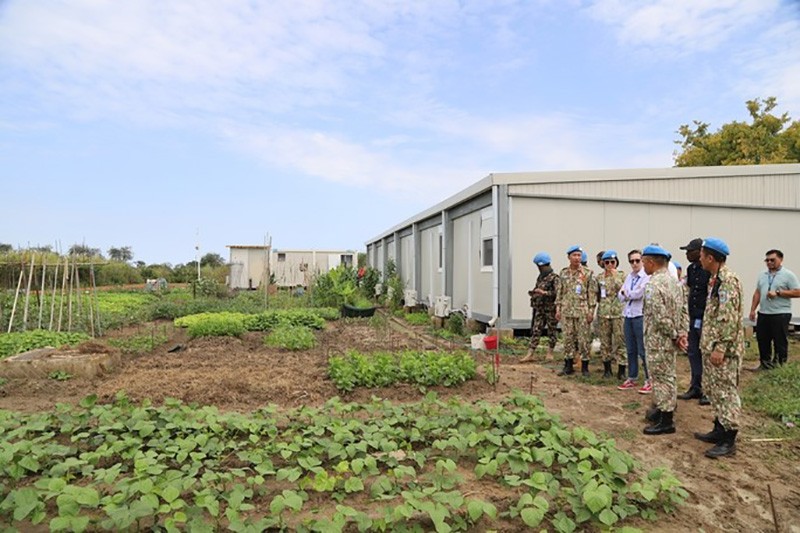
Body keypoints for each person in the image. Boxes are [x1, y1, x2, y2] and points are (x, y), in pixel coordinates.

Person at [694, 238, 745, 458]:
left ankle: (729, 439)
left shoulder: (728, 281)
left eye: (702, 255)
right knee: (714, 389)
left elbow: (728, 317)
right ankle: (719, 428)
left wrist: (721, 347)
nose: (700, 259)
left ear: (711, 258)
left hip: (724, 350)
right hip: (711, 344)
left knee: (726, 392)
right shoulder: (715, 279)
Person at [640, 245, 689, 435]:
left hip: (658, 340)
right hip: (670, 338)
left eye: (644, 262)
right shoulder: (675, 283)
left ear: (651, 262)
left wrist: (676, 335)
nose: (643, 266)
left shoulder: (653, 285)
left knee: (661, 378)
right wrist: (682, 333)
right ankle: (663, 409)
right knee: (668, 375)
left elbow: (660, 318)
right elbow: (684, 311)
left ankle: (666, 420)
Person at [748, 249, 800, 370]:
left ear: (781, 260)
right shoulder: (762, 275)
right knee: (763, 339)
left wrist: (779, 292)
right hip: (764, 313)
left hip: (780, 313)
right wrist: (752, 310)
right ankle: (765, 364)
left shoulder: (788, 275)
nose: (769, 262)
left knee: (780, 340)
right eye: (767, 260)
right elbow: (757, 292)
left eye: (772, 260)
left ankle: (780, 366)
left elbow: (798, 292)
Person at [678, 238, 711, 405]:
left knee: (706, 354)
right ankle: (695, 386)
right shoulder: (691, 269)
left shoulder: (710, 271)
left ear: (699, 252)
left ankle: (708, 390)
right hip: (694, 316)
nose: (686, 254)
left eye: (689, 251)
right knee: (693, 352)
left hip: (706, 319)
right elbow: (691, 291)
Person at [555, 245, 597, 376]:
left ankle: (585, 367)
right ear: (569, 257)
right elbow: (560, 292)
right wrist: (558, 309)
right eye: (574, 255)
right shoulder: (563, 273)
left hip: (582, 311)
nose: (577, 258)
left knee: (584, 339)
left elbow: (592, 294)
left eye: (579, 255)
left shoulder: (588, 273)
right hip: (567, 311)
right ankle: (568, 365)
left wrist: (591, 311)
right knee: (568, 338)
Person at [617, 250, 651, 392]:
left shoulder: (646, 276)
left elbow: (639, 294)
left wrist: (627, 294)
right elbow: (620, 295)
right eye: (632, 261)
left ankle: (649, 379)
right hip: (628, 315)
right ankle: (632, 377)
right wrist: (626, 294)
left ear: (642, 261)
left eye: (637, 260)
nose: (635, 263)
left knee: (642, 349)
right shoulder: (629, 277)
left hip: (639, 315)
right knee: (630, 348)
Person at [521, 252, 559, 362]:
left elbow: (557, 293)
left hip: (550, 309)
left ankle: (550, 352)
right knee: (536, 329)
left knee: (552, 331)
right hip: (539, 309)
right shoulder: (540, 277)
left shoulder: (554, 278)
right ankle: (530, 353)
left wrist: (544, 293)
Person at [597, 250, 626, 378]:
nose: (610, 265)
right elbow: (596, 294)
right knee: (605, 342)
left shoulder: (622, 275)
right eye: (607, 262)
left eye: (612, 262)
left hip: (618, 313)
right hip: (604, 313)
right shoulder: (599, 277)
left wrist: (615, 277)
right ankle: (607, 369)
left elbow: (625, 291)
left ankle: (621, 370)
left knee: (621, 342)